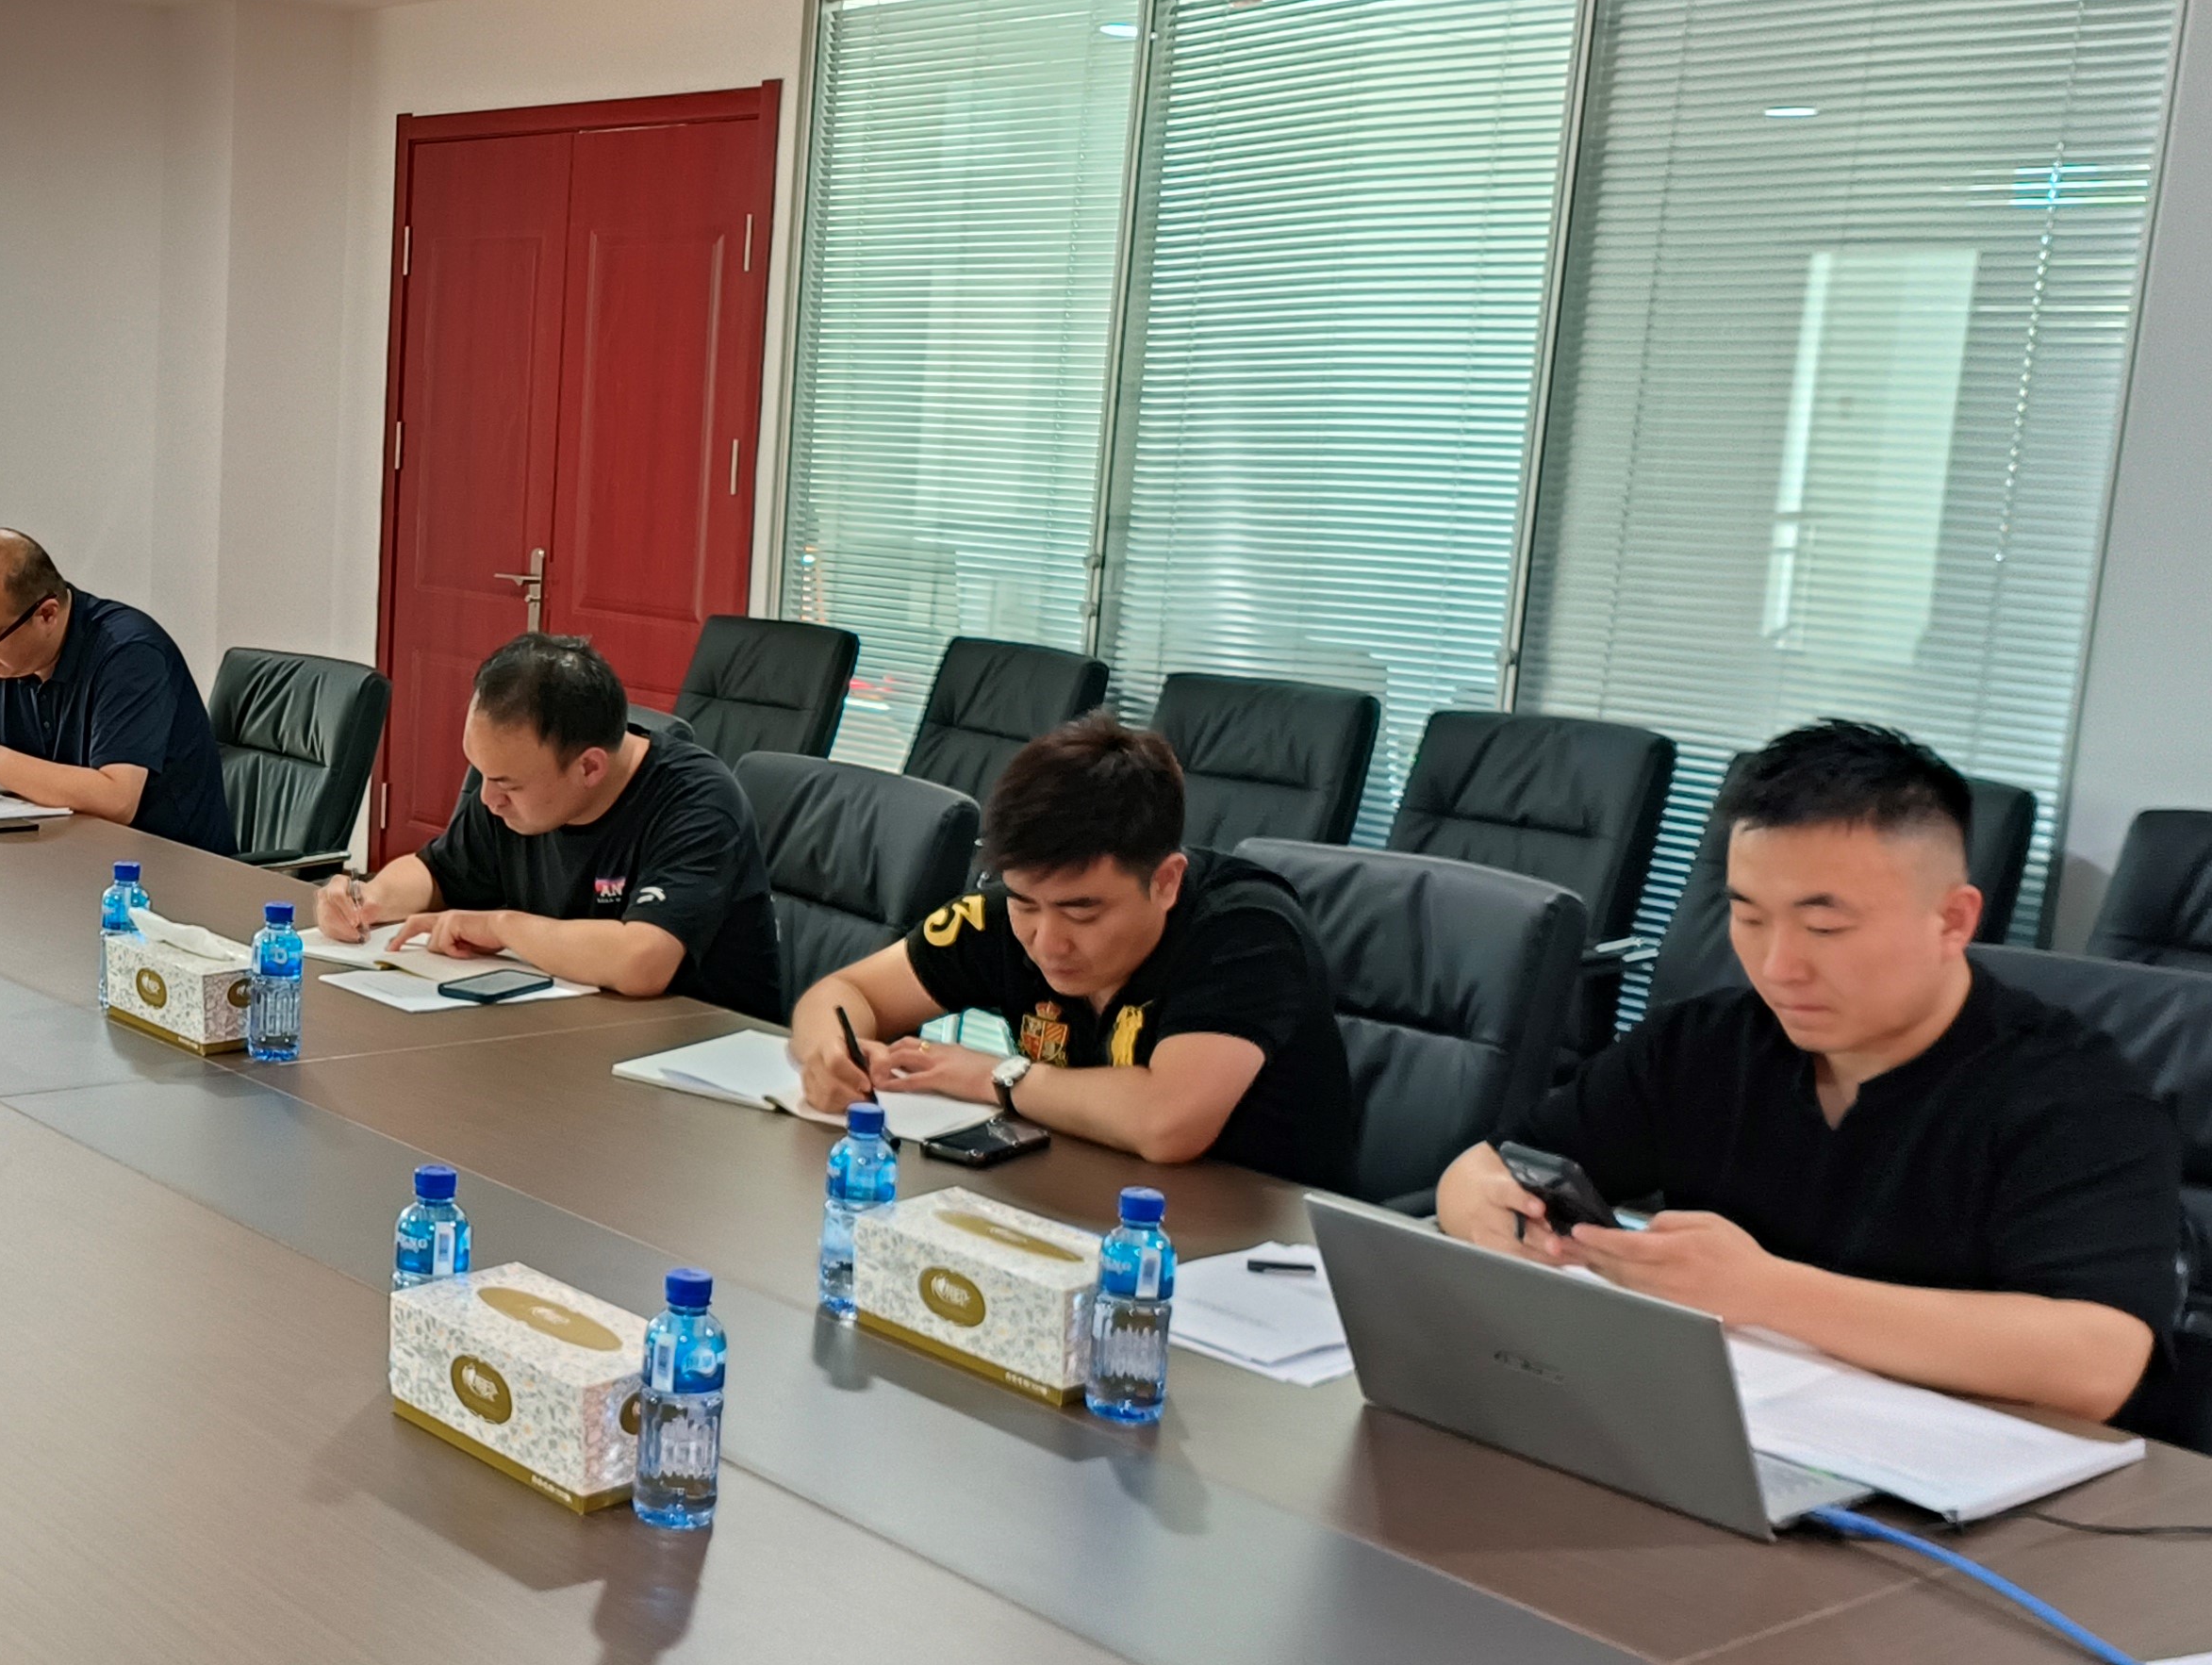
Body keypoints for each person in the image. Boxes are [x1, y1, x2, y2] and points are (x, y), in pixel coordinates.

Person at [1440, 720, 2192, 1442]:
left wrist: (1763, 1292)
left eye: (1825, 928)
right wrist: (1492, 1220)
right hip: (1732, 1437)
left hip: (1963, 1479)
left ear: (1953, 921)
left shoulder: (2076, 1098)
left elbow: (2099, 1362)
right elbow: (1486, 1168)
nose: (1778, 967)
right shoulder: (1702, 1044)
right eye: (1749, 918)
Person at [789, 715, 1357, 1185]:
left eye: (1082, 911)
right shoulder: (1003, 915)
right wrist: (829, 1053)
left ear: (1165, 882)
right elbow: (845, 992)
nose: (1047, 940)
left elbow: (1167, 1123)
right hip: (1074, 1192)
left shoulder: (1247, 930)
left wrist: (995, 1077)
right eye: (1025, 903)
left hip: (1259, 1236)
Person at [321, 635, 782, 1018]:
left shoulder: (698, 802)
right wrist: (369, 898)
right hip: (567, 1028)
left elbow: (643, 961)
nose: (487, 798)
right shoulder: (515, 788)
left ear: (589, 768)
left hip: (694, 1051)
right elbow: (439, 872)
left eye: (506, 783)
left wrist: (501, 927)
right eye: (481, 772)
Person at [0, 531, 238, 857]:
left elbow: (117, 798)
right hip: (68, 859)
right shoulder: (4, 657)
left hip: (169, 875)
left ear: (47, 614)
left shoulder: (129, 655)